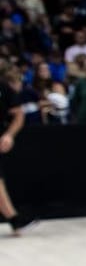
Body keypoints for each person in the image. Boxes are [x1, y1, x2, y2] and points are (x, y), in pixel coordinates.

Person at [0, 63, 33, 231]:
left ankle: (15, 220)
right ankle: (14, 219)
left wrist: (9, 135)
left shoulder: (3, 88)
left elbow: (19, 114)